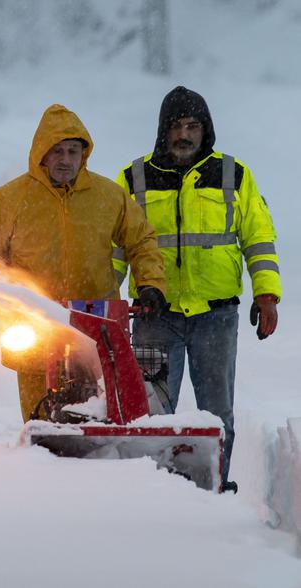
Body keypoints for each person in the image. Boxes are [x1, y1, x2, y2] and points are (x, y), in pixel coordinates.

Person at [112, 86, 282, 493]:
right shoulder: (133, 178)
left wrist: (267, 294)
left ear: (206, 130)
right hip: (153, 316)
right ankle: (156, 492)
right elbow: (116, 248)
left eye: (193, 126)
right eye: (176, 127)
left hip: (216, 317)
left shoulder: (233, 173)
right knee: (150, 414)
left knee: (218, 412)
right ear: (162, 131)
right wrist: (105, 302)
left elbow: (257, 238)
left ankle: (215, 488)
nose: (184, 135)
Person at [0, 104, 166, 423]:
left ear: (83, 155)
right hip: (34, 322)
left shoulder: (108, 197)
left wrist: (151, 284)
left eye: (72, 151)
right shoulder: (10, 199)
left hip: (97, 325)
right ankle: (43, 464)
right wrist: (7, 303)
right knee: (39, 415)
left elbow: (142, 239)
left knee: (105, 407)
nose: (65, 160)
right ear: (42, 155)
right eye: (57, 151)